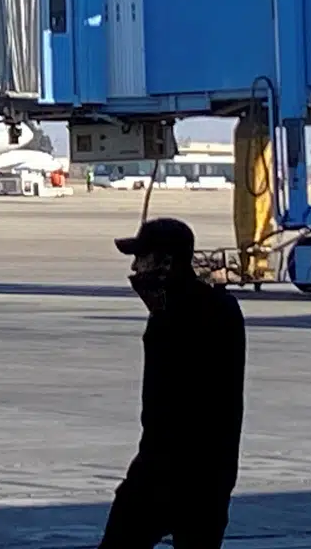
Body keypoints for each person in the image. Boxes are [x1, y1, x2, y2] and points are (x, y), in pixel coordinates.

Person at [99, 218, 246, 549]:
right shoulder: (204, 307)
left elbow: (185, 397)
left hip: (170, 471)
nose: (136, 269)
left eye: (143, 258)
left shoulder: (187, 313)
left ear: (166, 262)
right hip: (211, 473)